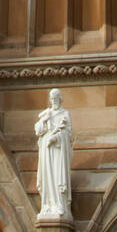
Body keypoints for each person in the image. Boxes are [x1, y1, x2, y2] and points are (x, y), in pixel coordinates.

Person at [35, 88, 73, 219]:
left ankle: (59, 204)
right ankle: (47, 204)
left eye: (55, 98)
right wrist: (44, 120)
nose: (53, 101)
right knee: (47, 176)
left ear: (60, 99)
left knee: (57, 175)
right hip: (46, 149)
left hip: (58, 151)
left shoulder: (65, 114)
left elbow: (68, 134)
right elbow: (38, 130)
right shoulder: (47, 113)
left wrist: (56, 138)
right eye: (51, 99)